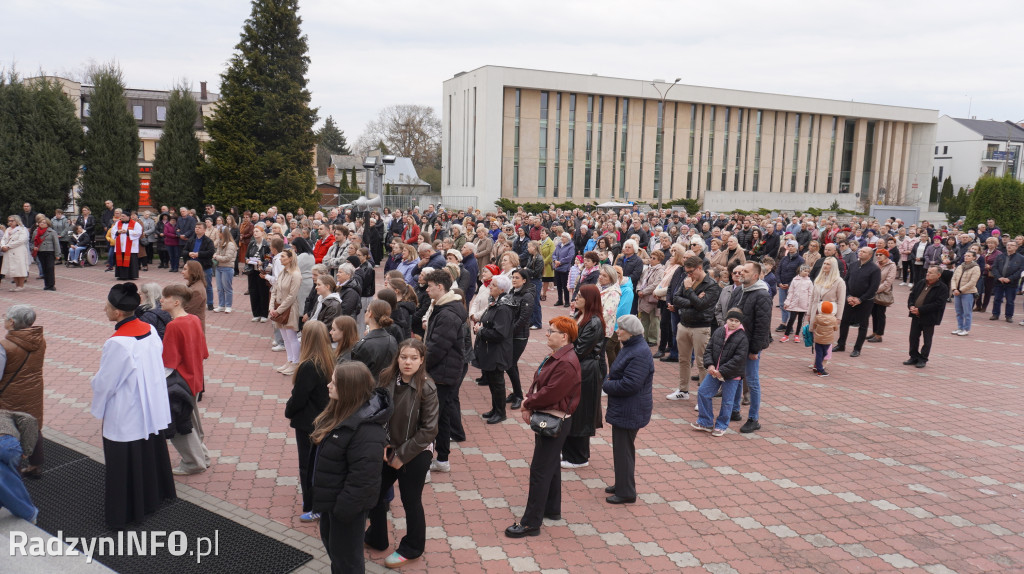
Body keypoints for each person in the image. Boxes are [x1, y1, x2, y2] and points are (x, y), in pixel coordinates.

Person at [90, 283, 176, 529]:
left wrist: (94, 384)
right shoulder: (148, 329)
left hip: (126, 410)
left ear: (117, 313)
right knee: (147, 452)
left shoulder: (117, 343)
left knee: (123, 461)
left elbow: (107, 383)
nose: (104, 309)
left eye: (107, 306)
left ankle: (125, 512)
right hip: (150, 404)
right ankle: (152, 499)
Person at [310, 362, 392, 574]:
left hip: (345, 510)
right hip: (333, 505)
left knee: (348, 563)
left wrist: (341, 511)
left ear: (349, 388)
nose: (328, 385)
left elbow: (363, 481)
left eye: (334, 383)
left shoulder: (366, 431)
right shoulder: (342, 413)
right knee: (337, 555)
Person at [365, 340, 439, 568]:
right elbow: (377, 412)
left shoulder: (427, 387)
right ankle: (377, 537)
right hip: (388, 447)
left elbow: (429, 430)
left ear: (422, 360)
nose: (408, 362)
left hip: (416, 452)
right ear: (397, 357)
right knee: (374, 493)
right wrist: (384, 444)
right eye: (404, 357)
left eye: (413, 358)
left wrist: (402, 455)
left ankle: (413, 547)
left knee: (410, 500)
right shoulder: (386, 378)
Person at [505, 316, 581, 539]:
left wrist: (528, 402)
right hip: (551, 414)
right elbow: (540, 382)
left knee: (539, 470)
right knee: (550, 465)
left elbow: (551, 392)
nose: (547, 334)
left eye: (552, 331)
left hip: (555, 417)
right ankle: (552, 509)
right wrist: (530, 398)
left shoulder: (566, 362)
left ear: (564, 336)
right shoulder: (560, 356)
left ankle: (530, 523)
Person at [601, 315, 654, 504]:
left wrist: (606, 385)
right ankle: (622, 483)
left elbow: (630, 384)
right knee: (622, 449)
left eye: (620, 328)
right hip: (627, 408)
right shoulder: (632, 347)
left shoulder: (638, 352)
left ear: (630, 331)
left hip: (630, 409)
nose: (617, 331)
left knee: (624, 451)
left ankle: (626, 492)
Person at [160, 284, 211, 476]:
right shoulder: (194, 320)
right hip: (195, 378)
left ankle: (193, 462)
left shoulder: (173, 325)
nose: (161, 300)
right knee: (193, 421)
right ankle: (203, 457)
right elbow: (203, 352)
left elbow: (168, 362)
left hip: (179, 382)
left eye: (165, 297)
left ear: (176, 301)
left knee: (182, 424)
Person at [284, 320, 332, 522]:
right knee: (321, 464)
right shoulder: (330, 359)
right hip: (325, 419)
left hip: (308, 423)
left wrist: (289, 409)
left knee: (308, 465)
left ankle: (312, 505)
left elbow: (299, 398)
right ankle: (322, 503)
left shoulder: (309, 365)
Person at [422, 269, 467, 474]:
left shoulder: (447, 312)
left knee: (434, 418)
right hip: (444, 371)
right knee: (442, 416)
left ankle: (435, 459)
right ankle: (442, 458)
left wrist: (422, 367)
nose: (426, 289)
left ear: (440, 287)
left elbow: (439, 347)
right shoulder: (442, 307)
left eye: (430, 286)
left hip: (443, 373)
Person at [0, 305, 46, 479]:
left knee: (10, 432)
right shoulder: (39, 340)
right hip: (33, 390)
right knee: (33, 426)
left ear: (11, 322)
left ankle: (14, 473)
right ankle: (35, 466)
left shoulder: (4, 346)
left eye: (5, 317)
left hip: (10, 395)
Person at [561, 284, 605, 469]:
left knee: (581, 412)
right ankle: (569, 451)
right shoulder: (580, 316)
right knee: (571, 410)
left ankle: (579, 457)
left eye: (580, 296)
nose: (576, 298)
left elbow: (580, 350)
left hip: (586, 371)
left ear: (589, 300)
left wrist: (561, 351)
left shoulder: (594, 322)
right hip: (576, 369)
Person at [667, 256, 720, 401]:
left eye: (691, 272)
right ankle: (683, 390)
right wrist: (694, 299)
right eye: (687, 272)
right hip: (684, 324)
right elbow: (676, 299)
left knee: (702, 362)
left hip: (701, 327)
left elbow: (703, 305)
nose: (689, 275)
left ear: (699, 268)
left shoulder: (712, 285)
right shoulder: (687, 280)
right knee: (683, 359)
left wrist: (690, 291)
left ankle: (703, 396)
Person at [727, 262, 773, 433]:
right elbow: (730, 315)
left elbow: (762, 325)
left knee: (752, 380)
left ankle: (753, 418)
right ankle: (734, 410)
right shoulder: (739, 290)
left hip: (750, 345)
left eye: (745, 271)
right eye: (740, 270)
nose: (741, 273)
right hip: (735, 342)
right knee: (736, 376)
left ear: (755, 276)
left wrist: (755, 350)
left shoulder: (762, 295)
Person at [692, 308, 749, 435]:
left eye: (736, 321)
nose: (733, 323)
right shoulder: (719, 331)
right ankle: (705, 421)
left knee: (728, 401)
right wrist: (710, 365)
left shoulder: (742, 337)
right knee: (703, 392)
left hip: (731, 374)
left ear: (740, 323)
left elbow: (738, 359)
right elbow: (709, 349)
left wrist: (722, 371)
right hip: (714, 372)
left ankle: (721, 425)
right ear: (726, 320)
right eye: (731, 320)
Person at [474, 274, 515, 424]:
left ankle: (500, 412)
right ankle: (495, 409)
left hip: (498, 351)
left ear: (502, 289)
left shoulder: (503, 307)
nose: (490, 287)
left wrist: (480, 331)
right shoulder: (495, 302)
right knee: (492, 382)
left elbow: (500, 333)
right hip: (490, 349)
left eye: (494, 285)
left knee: (497, 383)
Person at [834, 247, 881, 358]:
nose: (860, 253)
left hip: (865, 302)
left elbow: (873, 288)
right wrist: (848, 296)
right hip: (850, 300)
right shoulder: (854, 265)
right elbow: (846, 281)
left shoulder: (874, 269)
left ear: (870, 255)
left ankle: (857, 348)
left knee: (863, 325)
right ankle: (841, 344)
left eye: (863, 252)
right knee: (844, 321)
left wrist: (860, 299)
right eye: (860, 251)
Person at [905, 266, 950, 368]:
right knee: (913, 337)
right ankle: (913, 356)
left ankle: (923, 359)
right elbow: (912, 295)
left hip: (929, 317)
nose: (927, 274)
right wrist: (911, 306)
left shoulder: (942, 287)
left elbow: (939, 304)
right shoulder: (921, 282)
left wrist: (920, 310)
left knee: (927, 339)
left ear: (938, 275)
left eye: (931, 273)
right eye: (928, 272)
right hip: (915, 315)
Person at [0, 409, 39, 522]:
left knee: (6, 480)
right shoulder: (5, 413)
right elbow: (29, 419)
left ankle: (28, 513)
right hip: (10, 446)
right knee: (9, 478)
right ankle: (28, 513)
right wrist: (26, 450)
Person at [506, 268, 535, 409]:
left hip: (520, 336)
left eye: (517, 278)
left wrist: (509, 331)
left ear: (524, 280)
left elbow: (524, 318)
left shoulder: (527, 296)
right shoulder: (512, 292)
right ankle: (516, 392)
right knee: (511, 365)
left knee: (510, 364)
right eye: (513, 277)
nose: (514, 280)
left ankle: (518, 395)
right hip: (511, 334)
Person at [271, 249, 302, 375]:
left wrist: (278, 310)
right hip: (279, 307)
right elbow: (275, 290)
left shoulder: (295, 274)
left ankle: (296, 362)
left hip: (289, 308)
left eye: (283, 256)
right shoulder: (283, 272)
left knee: (291, 336)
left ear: (290, 258)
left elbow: (292, 295)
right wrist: (271, 307)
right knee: (284, 337)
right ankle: (289, 360)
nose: (280, 259)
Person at [351, 300, 398, 378]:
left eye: (366, 311)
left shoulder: (365, 344)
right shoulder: (392, 340)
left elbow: (356, 375)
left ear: (370, 313)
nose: (365, 313)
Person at [990, 241, 1024, 323]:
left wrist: (1010, 278)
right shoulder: (1000, 256)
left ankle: (1009, 316)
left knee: (1010, 300)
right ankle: (995, 314)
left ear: (1016, 247)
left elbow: (1020, 270)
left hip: (1012, 283)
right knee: (997, 299)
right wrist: (999, 277)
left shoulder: (1021, 258)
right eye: (1008, 245)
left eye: (1012, 245)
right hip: (999, 282)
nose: (1009, 246)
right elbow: (994, 268)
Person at [185, 222, 216, 310]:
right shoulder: (191, 240)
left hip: (205, 267)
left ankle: (210, 304)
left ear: (204, 230)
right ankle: (192, 302)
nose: (197, 229)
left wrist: (199, 254)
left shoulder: (208, 241)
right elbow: (184, 251)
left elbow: (211, 252)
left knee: (207, 285)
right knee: (191, 285)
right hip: (192, 268)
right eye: (196, 227)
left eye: (199, 227)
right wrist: (189, 253)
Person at [779, 265, 813, 343]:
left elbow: (811, 294)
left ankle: (797, 335)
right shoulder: (794, 280)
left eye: (808, 272)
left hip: (803, 304)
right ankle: (786, 335)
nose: (807, 273)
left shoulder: (809, 282)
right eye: (805, 271)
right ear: (800, 271)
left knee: (800, 321)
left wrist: (809, 304)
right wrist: (787, 302)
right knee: (791, 319)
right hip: (794, 304)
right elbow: (790, 292)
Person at [950, 251, 981, 336]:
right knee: (959, 311)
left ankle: (966, 329)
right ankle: (960, 327)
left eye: (969, 256)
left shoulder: (976, 268)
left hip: (967, 293)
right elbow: (954, 278)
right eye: (965, 255)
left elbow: (972, 282)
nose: (966, 257)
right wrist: (954, 289)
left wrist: (960, 290)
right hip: (957, 292)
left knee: (967, 312)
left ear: (974, 258)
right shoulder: (960, 266)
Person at [111, 211, 143, 281]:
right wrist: (118, 232)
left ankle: (131, 275)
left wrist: (128, 232)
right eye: (121, 216)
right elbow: (113, 231)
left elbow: (139, 232)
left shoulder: (135, 224)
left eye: (123, 216)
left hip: (131, 247)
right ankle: (121, 275)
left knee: (131, 260)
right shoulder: (117, 223)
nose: (121, 217)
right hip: (120, 246)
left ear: (128, 217)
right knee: (120, 259)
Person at [811, 301, 839, 376]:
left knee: (819, 353)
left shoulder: (818, 317)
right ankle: (820, 370)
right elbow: (836, 328)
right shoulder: (833, 319)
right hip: (828, 340)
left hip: (818, 339)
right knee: (825, 353)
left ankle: (817, 365)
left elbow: (814, 326)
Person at [212, 227, 237, 313]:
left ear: (224, 233)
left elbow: (228, 258)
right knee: (219, 288)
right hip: (219, 267)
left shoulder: (230, 244)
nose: (218, 234)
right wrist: (215, 254)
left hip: (227, 268)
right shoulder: (220, 243)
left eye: (219, 232)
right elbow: (217, 252)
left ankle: (228, 306)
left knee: (227, 288)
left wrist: (216, 257)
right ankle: (221, 305)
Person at [2, 216, 29, 291]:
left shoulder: (22, 229)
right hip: (9, 251)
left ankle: (21, 285)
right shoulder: (8, 229)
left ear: (17, 221)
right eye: (9, 221)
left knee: (20, 268)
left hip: (18, 251)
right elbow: (3, 239)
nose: (10, 222)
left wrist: (8, 246)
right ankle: (16, 285)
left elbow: (21, 240)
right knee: (13, 267)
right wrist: (3, 246)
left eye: (12, 221)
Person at [32, 218, 59, 291]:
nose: (42, 224)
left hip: (49, 251)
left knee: (50, 268)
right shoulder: (36, 232)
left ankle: (51, 285)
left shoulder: (52, 232)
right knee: (44, 268)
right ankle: (46, 284)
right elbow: (32, 242)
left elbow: (56, 243)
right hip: (40, 251)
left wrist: (57, 254)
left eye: (44, 223)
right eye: (40, 222)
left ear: (48, 224)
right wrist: (33, 247)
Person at [182, 260, 208, 332]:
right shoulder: (194, 285)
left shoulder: (196, 290)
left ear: (192, 272)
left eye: (185, 269)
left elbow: (187, 310)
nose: (182, 272)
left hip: (194, 327)